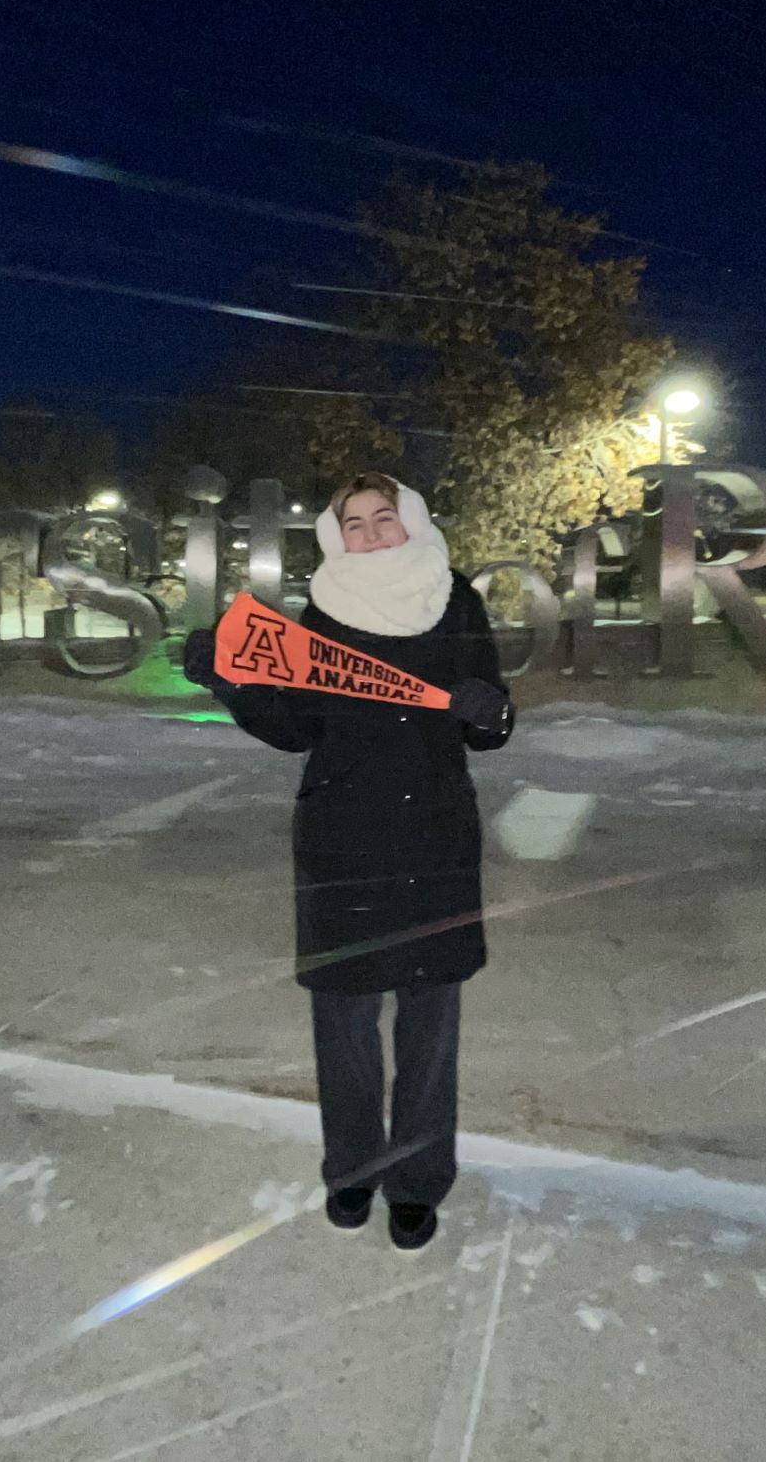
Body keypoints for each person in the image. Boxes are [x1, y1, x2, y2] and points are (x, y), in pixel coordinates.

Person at [182, 472, 514, 1251]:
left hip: (433, 837)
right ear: (336, 538)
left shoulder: (453, 599)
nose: (370, 532)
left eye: (383, 517)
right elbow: (296, 724)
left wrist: (486, 707)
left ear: (412, 521)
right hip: (344, 837)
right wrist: (231, 681)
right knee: (345, 1021)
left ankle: (418, 1180)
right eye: (354, 522)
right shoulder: (324, 609)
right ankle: (354, 1169)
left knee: (431, 1023)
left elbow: (493, 722)